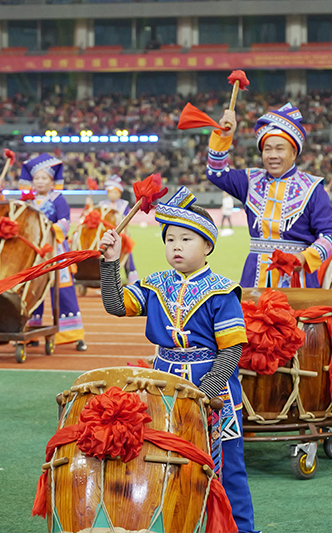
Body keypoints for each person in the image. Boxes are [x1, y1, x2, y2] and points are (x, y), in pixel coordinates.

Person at [99, 186, 257, 533]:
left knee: (227, 469)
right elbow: (115, 305)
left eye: (187, 239)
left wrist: (206, 391)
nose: (176, 246)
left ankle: (241, 530)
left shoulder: (222, 290)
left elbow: (231, 349)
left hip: (213, 392)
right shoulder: (154, 285)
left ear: (207, 246)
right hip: (163, 386)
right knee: (164, 462)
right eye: (170, 240)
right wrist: (111, 263)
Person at [207, 103, 332, 288]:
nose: (272, 155)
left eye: (279, 149)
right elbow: (215, 172)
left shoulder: (313, 188)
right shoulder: (249, 181)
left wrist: (305, 257)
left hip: (297, 279)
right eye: (267, 149)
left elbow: (330, 235)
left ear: (294, 153)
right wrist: (224, 136)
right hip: (254, 278)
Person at [20, 154, 87, 350]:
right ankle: (31, 331)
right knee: (32, 289)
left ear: (52, 182)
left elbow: (65, 222)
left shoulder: (58, 199)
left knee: (64, 291)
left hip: (55, 250)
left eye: (44, 178)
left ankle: (73, 335)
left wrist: (51, 230)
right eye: (37, 178)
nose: (40, 182)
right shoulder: (28, 201)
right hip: (34, 251)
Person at [97, 175, 139, 284]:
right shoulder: (102, 204)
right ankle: (105, 279)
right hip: (106, 234)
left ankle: (131, 275)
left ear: (119, 193)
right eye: (110, 192)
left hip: (121, 234)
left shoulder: (123, 204)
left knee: (126, 254)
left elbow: (125, 219)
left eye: (115, 192)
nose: (112, 195)